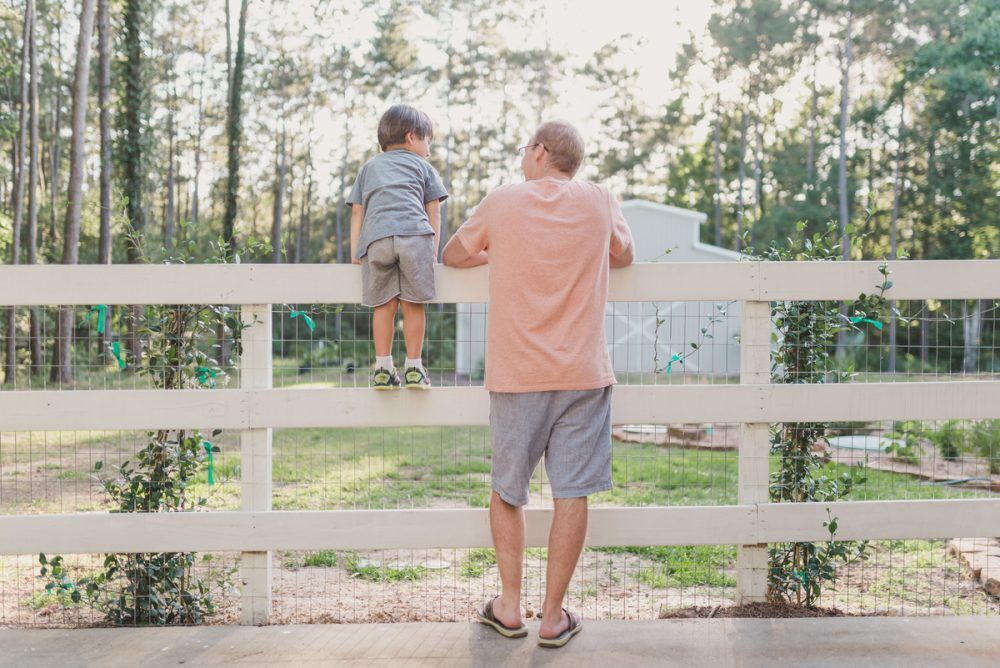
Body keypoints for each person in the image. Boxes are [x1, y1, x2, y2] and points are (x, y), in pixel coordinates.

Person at [442, 120, 634, 648]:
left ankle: (508, 606)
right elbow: (624, 255)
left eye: (526, 148)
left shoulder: (503, 202)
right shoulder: (599, 200)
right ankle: (552, 617)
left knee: (508, 491)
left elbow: (453, 254)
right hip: (582, 374)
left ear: (541, 152)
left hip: (518, 374)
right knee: (572, 493)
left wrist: (497, 252)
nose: (522, 157)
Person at [348, 104, 448, 390]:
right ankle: (414, 368)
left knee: (384, 305)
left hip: (376, 239)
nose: (429, 148)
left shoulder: (368, 168)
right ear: (411, 137)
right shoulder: (424, 167)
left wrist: (357, 252)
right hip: (414, 235)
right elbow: (434, 210)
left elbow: (357, 210)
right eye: (427, 140)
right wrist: (432, 250)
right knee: (413, 304)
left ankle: (382, 368)